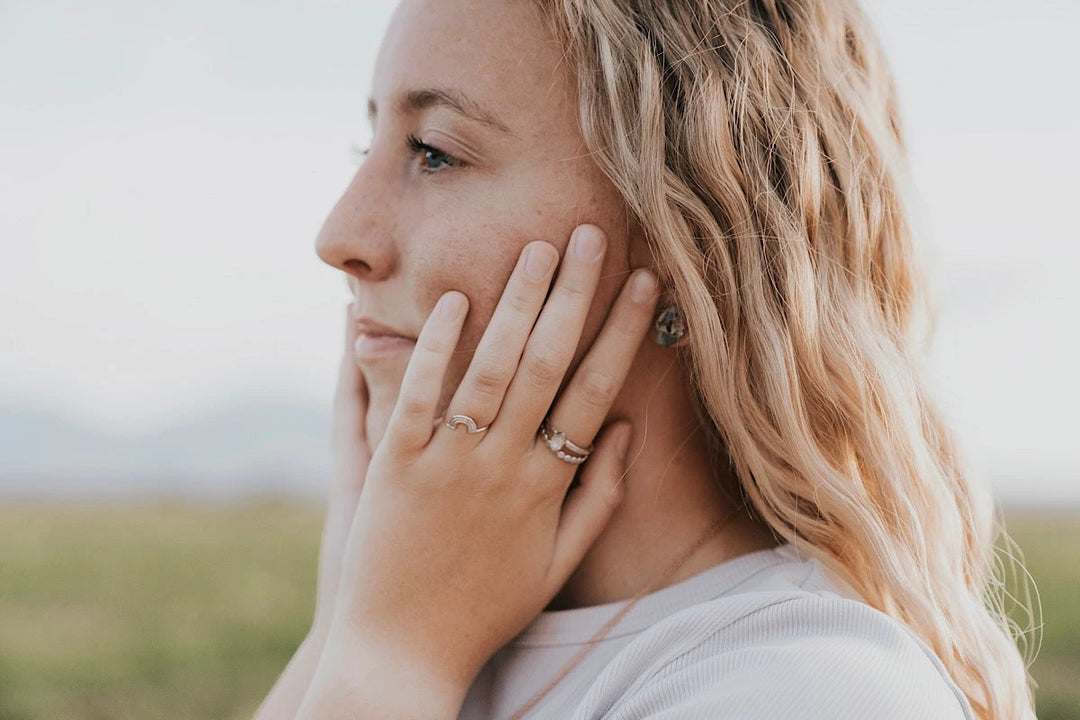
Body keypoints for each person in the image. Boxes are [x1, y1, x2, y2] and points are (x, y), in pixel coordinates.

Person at [254, 0, 1038, 718]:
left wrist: (390, 659)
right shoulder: (427, 629)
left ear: (687, 241)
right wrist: (351, 621)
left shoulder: (806, 689)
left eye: (434, 152)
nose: (340, 234)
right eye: (371, 142)